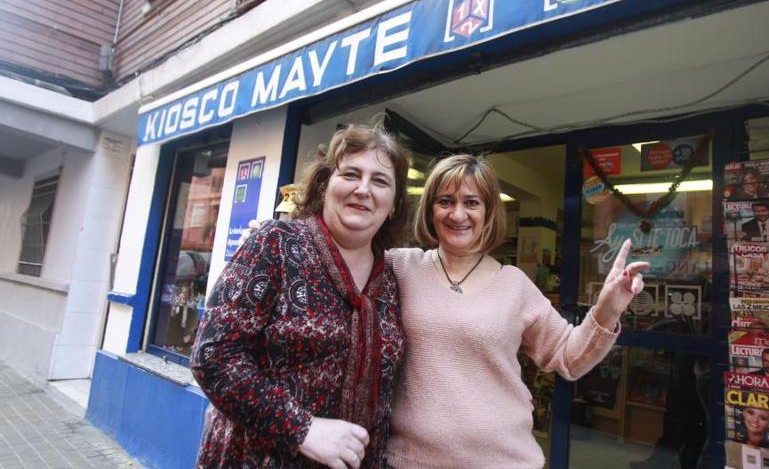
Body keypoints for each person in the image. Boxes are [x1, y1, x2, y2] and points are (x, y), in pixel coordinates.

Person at [384, 154, 649, 468]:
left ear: (488, 212)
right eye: (445, 201)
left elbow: (568, 357)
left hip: (502, 460)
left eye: (471, 202)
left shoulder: (514, 285)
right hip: (410, 460)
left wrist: (607, 310)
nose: (458, 214)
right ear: (430, 208)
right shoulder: (399, 267)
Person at [190, 123, 411, 469]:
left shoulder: (392, 280)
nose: (363, 189)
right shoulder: (275, 243)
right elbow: (213, 356)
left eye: (380, 180)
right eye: (351, 173)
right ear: (324, 186)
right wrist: (301, 428)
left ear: (394, 204)